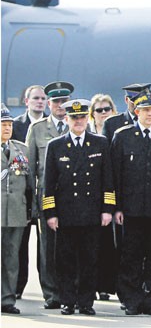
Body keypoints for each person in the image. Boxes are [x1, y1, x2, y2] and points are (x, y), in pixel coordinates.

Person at [42, 99, 115, 315]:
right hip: (65, 214)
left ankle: (85, 302)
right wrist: (51, 213)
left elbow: (107, 180)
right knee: (65, 261)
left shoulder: (100, 143)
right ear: (67, 119)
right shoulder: (55, 146)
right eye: (74, 118)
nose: (79, 121)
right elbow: (49, 184)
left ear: (88, 118)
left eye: (82, 117)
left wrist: (107, 209)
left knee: (89, 260)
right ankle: (67, 301)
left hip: (92, 214)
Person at [111, 90, 151, 316]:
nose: (149, 114)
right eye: (145, 110)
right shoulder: (123, 136)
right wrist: (116, 207)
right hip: (130, 208)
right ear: (136, 111)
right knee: (130, 255)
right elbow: (115, 175)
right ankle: (131, 300)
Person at [26, 80, 74, 309]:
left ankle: (70, 292)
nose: (61, 105)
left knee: (72, 247)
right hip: (48, 197)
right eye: (56, 101)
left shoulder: (79, 125)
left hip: (74, 198)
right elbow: (30, 169)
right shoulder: (37, 129)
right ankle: (52, 294)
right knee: (48, 248)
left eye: (64, 101)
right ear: (49, 103)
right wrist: (32, 202)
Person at [11, 85, 45, 300]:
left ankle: (49, 289)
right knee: (18, 244)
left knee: (45, 246)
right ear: (26, 101)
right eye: (36, 98)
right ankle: (16, 286)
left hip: (43, 194)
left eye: (43, 98)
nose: (40, 102)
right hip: (21, 193)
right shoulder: (14, 126)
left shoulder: (50, 125)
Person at [87, 94, 119, 302]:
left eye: (107, 109)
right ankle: (91, 285)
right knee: (90, 243)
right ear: (92, 114)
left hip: (109, 194)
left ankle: (106, 286)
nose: (103, 113)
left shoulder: (117, 134)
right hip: (88, 196)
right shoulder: (85, 132)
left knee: (109, 244)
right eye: (99, 110)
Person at [1, 105, 33, 315]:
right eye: (3, 124)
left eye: (10, 124)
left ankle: (7, 298)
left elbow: (30, 183)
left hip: (15, 212)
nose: (7, 128)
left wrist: (31, 210)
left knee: (12, 257)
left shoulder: (22, 149)